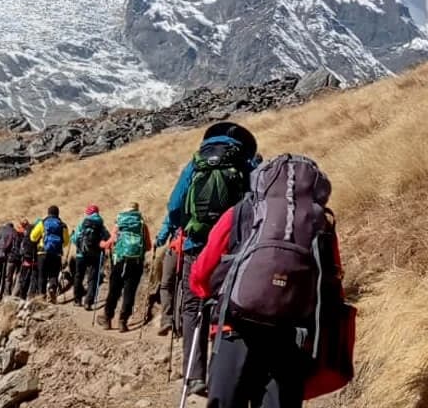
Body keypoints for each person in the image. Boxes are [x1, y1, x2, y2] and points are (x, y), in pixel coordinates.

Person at [189, 153, 348, 408]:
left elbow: (201, 273)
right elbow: (332, 283)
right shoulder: (321, 223)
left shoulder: (241, 212)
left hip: (235, 329)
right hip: (292, 336)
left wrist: (211, 294)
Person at [155, 122, 259, 397]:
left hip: (196, 247)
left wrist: (185, 227)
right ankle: (224, 376)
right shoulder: (245, 162)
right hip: (232, 249)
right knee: (230, 308)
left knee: (193, 307)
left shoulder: (196, 163)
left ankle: (194, 375)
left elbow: (175, 205)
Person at [99, 201, 152, 332]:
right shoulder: (142, 225)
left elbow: (111, 242)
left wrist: (103, 244)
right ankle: (123, 321)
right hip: (136, 263)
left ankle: (107, 319)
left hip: (120, 261)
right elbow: (149, 246)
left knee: (114, 291)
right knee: (130, 292)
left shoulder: (120, 224)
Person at [71, 203, 110, 309]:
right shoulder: (101, 225)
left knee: (79, 276)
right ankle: (88, 302)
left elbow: (75, 239)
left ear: (88, 212)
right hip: (96, 255)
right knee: (93, 278)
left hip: (81, 254)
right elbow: (107, 238)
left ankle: (77, 299)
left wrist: (78, 243)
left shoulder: (83, 223)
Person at [29, 206, 69, 303]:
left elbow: (33, 237)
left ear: (48, 213)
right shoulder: (62, 225)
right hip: (56, 254)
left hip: (42, 253)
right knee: (53, 274)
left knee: (42, 275)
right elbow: (66, 241)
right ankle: (52, 289)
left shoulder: (42, 223)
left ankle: (42, 297)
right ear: (58, 213)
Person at [14, 218, 39, 299]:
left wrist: (22, 254)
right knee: (34, 278)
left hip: (26, 258)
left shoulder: (26, 232)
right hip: (35, 259)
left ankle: (22, 295)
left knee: (23, 277)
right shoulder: (37, 232)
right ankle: (31, 295)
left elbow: (22, 246)